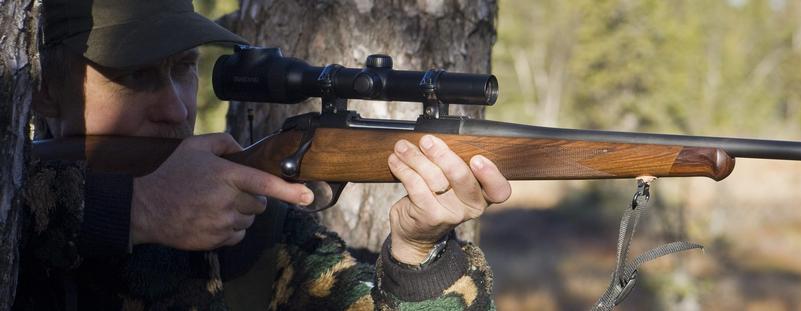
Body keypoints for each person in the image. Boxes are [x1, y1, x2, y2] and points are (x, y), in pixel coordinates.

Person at [15, 0, 511, 310]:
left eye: (184, 68)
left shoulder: (247, 226)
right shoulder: (16, 219)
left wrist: (417, 253)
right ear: (40, 90)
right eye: (132, 76)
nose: (175, 107)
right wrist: (127, 210)